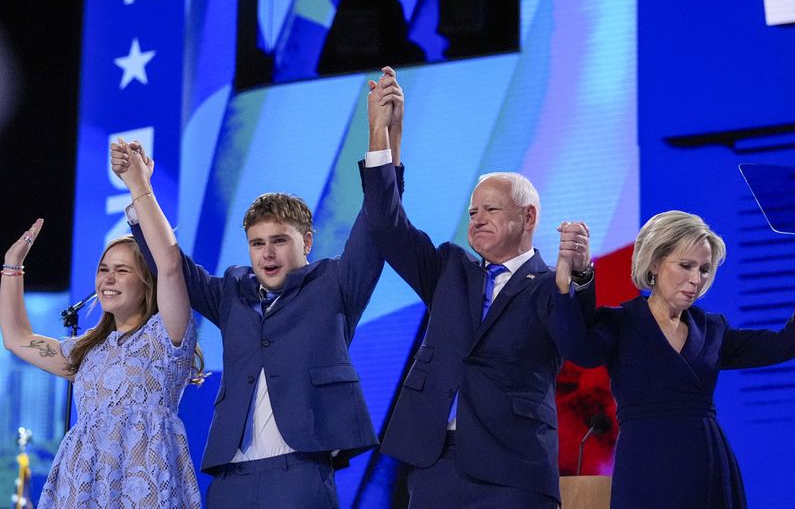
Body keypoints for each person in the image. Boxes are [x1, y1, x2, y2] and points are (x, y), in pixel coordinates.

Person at [110, 82, 405, 508]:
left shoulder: (336, 282)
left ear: (306, 241)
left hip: (301, 472)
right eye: (257, 242)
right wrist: (140, 190)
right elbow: (168, 263)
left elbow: (379, 222)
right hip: (232, 477)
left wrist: (380, 135)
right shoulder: (233, 290)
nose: (267, 253)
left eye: (279, 240)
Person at [361, 67, 596, 508]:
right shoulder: (450, 269)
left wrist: (577, 278)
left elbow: (580, 343)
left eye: (490, 209)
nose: (477, 220)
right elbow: (386, 226)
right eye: (472, 212)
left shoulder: (549, 287)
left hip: (513, 471)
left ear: (528, 218)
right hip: (434, 466)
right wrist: (384, 134)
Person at [0, 140, 203, 508]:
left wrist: (139, 187)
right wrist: (12, 266)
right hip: (84, 488)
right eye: (103, 270)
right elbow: (16, 338)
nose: (107, 279)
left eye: (122, 270)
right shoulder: (86, 351)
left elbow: (170, 263)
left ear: (147, 282)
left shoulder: (167, 336)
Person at [552, 210, 795, 508]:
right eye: (685, 265)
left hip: (707, 468)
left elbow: (787, 343)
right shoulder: (621, 324)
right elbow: (578, 348)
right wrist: (575, 275)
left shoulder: (713, 329)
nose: (696, 279)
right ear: (654, 262)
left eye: (704, 269)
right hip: (645, 469)